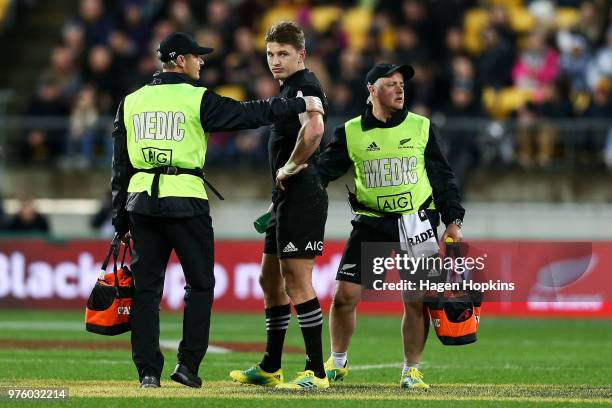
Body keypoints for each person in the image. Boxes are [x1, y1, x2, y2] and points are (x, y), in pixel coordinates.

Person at [111, 31, 324, 389]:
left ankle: (148, 371)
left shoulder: (131, 101)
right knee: (200, 285)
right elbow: (246, 114)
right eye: (197, 56)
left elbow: (120, 166)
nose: (202, 61)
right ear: (181, 60)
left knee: (146, 290)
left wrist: (120, 217)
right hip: (185, 201)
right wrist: (297, 105)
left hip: (141, 202)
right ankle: (188, 366)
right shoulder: (196, 99)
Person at [316, 63, 465, 388]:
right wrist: (295, 181)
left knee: (416, 300)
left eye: (401, 84)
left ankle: (411, 370)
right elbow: (323, 172)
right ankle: (337, 363)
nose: (400, 89)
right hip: (371, 221)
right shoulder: (350, 131)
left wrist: (453, 220)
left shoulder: (422, 127)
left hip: (417, 221)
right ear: (371, 90)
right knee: (344, 296)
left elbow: (442, 177)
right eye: (390, 84)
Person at [229, 21, 329, 390]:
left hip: (303, 195)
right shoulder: (290, 87)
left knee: (297, 283)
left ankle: (316, 371)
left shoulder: (305, 86)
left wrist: (290, 165)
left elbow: (315, 130)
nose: (275, 61)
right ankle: (271, 366)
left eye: (283, 54)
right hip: (285, 199)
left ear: (300, 55)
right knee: (269, 280)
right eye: (270, 54)